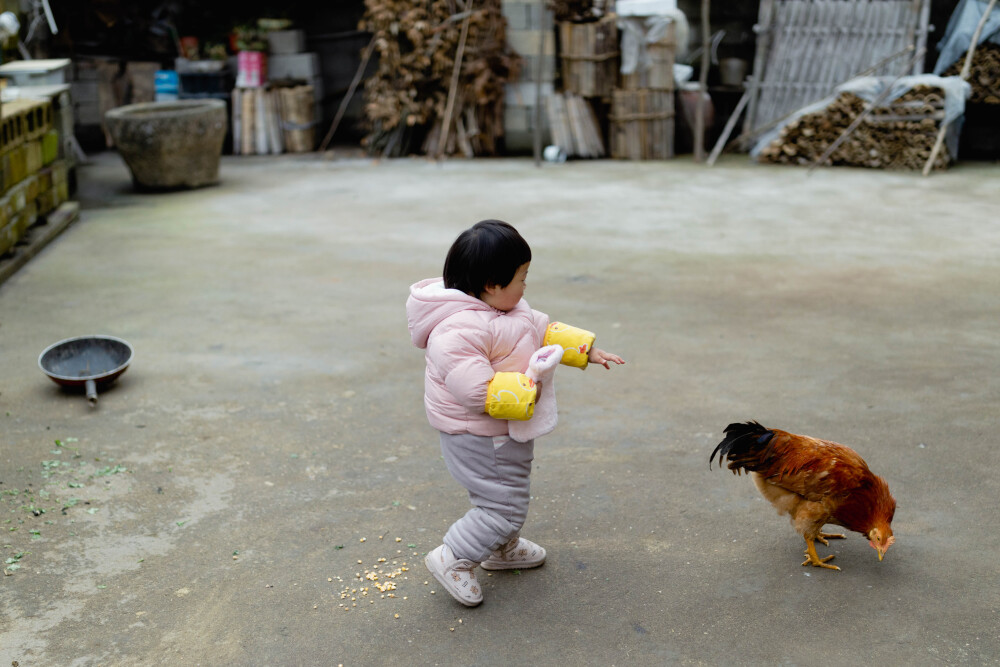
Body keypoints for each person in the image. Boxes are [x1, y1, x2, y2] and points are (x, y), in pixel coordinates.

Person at [406, 219, 624, 607]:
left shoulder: (508, 308)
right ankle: (453, 557)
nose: (526, 287)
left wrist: (585, 351)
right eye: (521, 278)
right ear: (492, 284)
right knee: (502, 505)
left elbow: (542, 330)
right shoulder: (455, 331)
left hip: (503, 430)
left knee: (509, 492)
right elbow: (477, 390)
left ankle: (501, 548)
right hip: (477, 434)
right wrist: (530, 385)